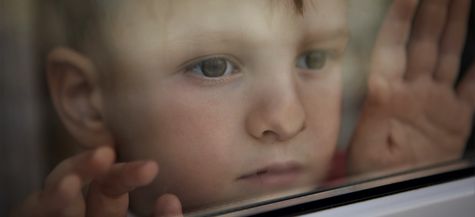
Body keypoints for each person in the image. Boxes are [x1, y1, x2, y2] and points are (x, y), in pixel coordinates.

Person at [11, 0, 475, 216]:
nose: (287, 118)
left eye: (313, 59)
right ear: (86, 99)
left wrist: (391, 185)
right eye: (213, 67)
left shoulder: (357, 181)